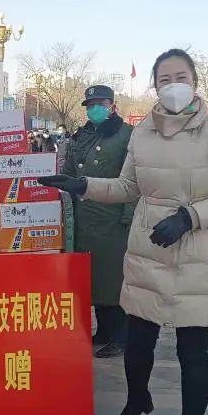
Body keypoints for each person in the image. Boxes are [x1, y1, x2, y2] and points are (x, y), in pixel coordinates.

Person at [39, 49, 208, 415]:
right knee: (137, 346)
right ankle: (137, 400)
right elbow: (127, 187)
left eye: (181, 77)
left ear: (195, 81)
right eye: (165, 79)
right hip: (147, 251)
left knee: (193, 351)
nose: (174, 86)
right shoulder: (143, 133)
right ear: (155, 86)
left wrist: (189, 217)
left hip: (197, 255)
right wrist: (84, 186)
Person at [61, 85, 134, 358]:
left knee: (115, 279)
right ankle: (104, 331)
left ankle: (121, 336)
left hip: (113, 220)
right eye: (90, 105)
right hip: (85, 219)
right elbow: (71, 171)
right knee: (95, 278)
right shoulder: (82, 136)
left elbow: (134, 181)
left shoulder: (127, 135)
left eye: (100, 104)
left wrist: (129, 217)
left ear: (112, 105)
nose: (94, 109)